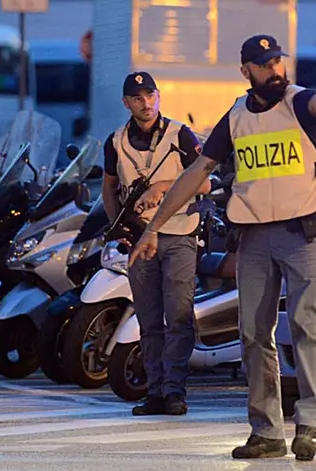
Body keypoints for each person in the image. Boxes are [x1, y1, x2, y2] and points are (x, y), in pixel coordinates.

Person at [128, 34, 316, 461]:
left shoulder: (298, 102)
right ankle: (267, 432)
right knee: (253, 334)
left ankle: (309, 423)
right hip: (253, 236)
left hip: (303, 233)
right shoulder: (236, 117)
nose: (274, 70)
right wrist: (153, 229)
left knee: (308, 327)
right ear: (246, 71)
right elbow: (195, 173)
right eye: (264, 64)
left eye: (277, 61)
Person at [102, 71, 211, 416]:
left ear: (158, 96)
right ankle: (155, 391)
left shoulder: (180, 134)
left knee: (178, 316)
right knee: (149, 320)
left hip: (179, 234)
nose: (145, 103)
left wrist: (163, 186)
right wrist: (116, 225)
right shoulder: (116, 141)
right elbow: (108, 187)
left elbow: (205, 185)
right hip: (138, 241)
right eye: (137, 98)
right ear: (126, 103)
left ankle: (175, 392)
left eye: (150, 95)